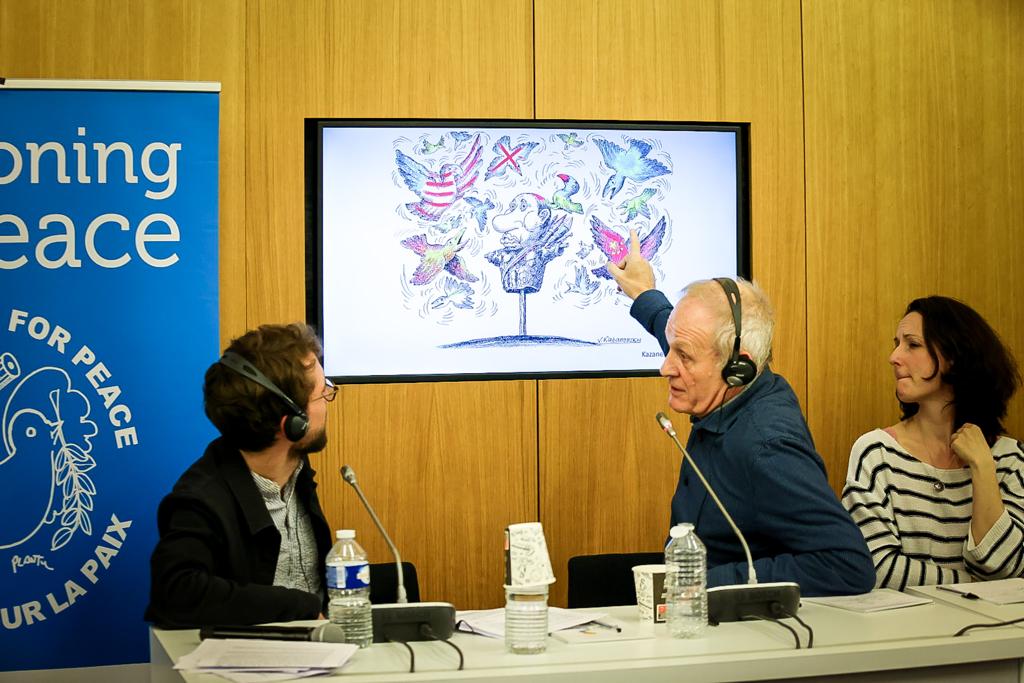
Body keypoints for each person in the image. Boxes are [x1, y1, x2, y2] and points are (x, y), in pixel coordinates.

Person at [608, 231, 874, 596]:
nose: (666, 368)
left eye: (683, 357)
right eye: (671, 349)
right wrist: (644, 292)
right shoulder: (729, 377)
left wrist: (701, 584)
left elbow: (847, 564)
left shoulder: (766, 445)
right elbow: (676, 329)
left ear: (739, 367)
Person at [145, 323, 337, 628]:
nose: (328, 401)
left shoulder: (297, 474)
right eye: (322, 394)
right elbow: (175, 593)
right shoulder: (201, 498)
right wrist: (297, 606)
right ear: (292, 424)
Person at [843, 297, 1024, 589]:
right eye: (896, 343)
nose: (894, 356)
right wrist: (971, 585)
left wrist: (982, 467)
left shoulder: (1011, 459)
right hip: (908, 633)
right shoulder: (876, 453)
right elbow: (875, 568)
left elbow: (1007, 566)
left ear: (954, 356)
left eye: (912, 344)